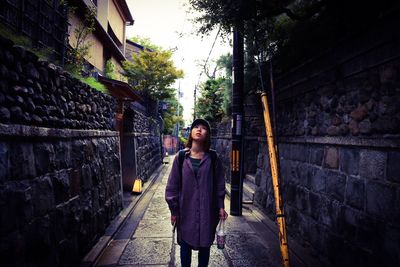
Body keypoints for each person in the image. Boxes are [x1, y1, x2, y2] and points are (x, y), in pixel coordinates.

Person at [165, 118, 228, 267]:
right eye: (196, 127)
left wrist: (220, 206)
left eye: (203, 128)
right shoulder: (181, 157)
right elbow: (172, 186)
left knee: (205, 246)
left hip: (207, 211)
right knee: (185, 245)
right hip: (185, 211)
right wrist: (174, 210)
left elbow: (219, 184)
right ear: (191, 132)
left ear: (207, 135)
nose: (199, 129)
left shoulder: (213, 158)